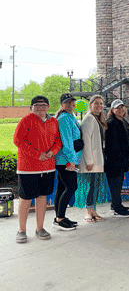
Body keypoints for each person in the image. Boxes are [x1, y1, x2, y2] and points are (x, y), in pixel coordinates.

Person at [14, 96, 62, 243]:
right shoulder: (26, 120)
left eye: (43, 105)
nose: (40, 108)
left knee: (42, 198)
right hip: (28, 168)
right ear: (31, 107)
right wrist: (37, 154)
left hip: (47, 167)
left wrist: (52, 152)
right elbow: (18, 140)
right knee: (26, 199)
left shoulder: (53, 121)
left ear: (48, 107)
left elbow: (58, 142)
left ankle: (39, 228)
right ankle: (22, 230)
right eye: (37, 105)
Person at [75, 95, 108, 223]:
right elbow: (86, 141)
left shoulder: (97, 118)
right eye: (96, 103)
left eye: (101, 103)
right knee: (91, 186)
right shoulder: (89, 119)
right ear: (91, 104)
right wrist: (89, 161)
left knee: (96, 186)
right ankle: (88, 212)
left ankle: (93, 210)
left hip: (98, 159)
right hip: (91, 161)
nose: (99, 105)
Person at [53, 93, 81, 231]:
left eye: (72, 102)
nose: (71, 104)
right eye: (67, 102)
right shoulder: (64, 118)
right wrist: (72, 160)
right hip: (65, 159)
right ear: (62, 104)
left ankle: (59, 217)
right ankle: (59, 218)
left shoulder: (70, 117)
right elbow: (67, 141)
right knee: (71, 187)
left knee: (61, 188)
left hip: (65, 159)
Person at [105, 99, 129, 217]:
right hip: (114, 161)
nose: (120, 109)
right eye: (117, 108)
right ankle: (117, 208)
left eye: (122, 107)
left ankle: (116, 204)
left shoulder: (124, 122)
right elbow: (111, 144)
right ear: (112, 110)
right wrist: (118, 157)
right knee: (115, 184)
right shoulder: (111, 122)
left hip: (123, 160)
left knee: (119, 183)